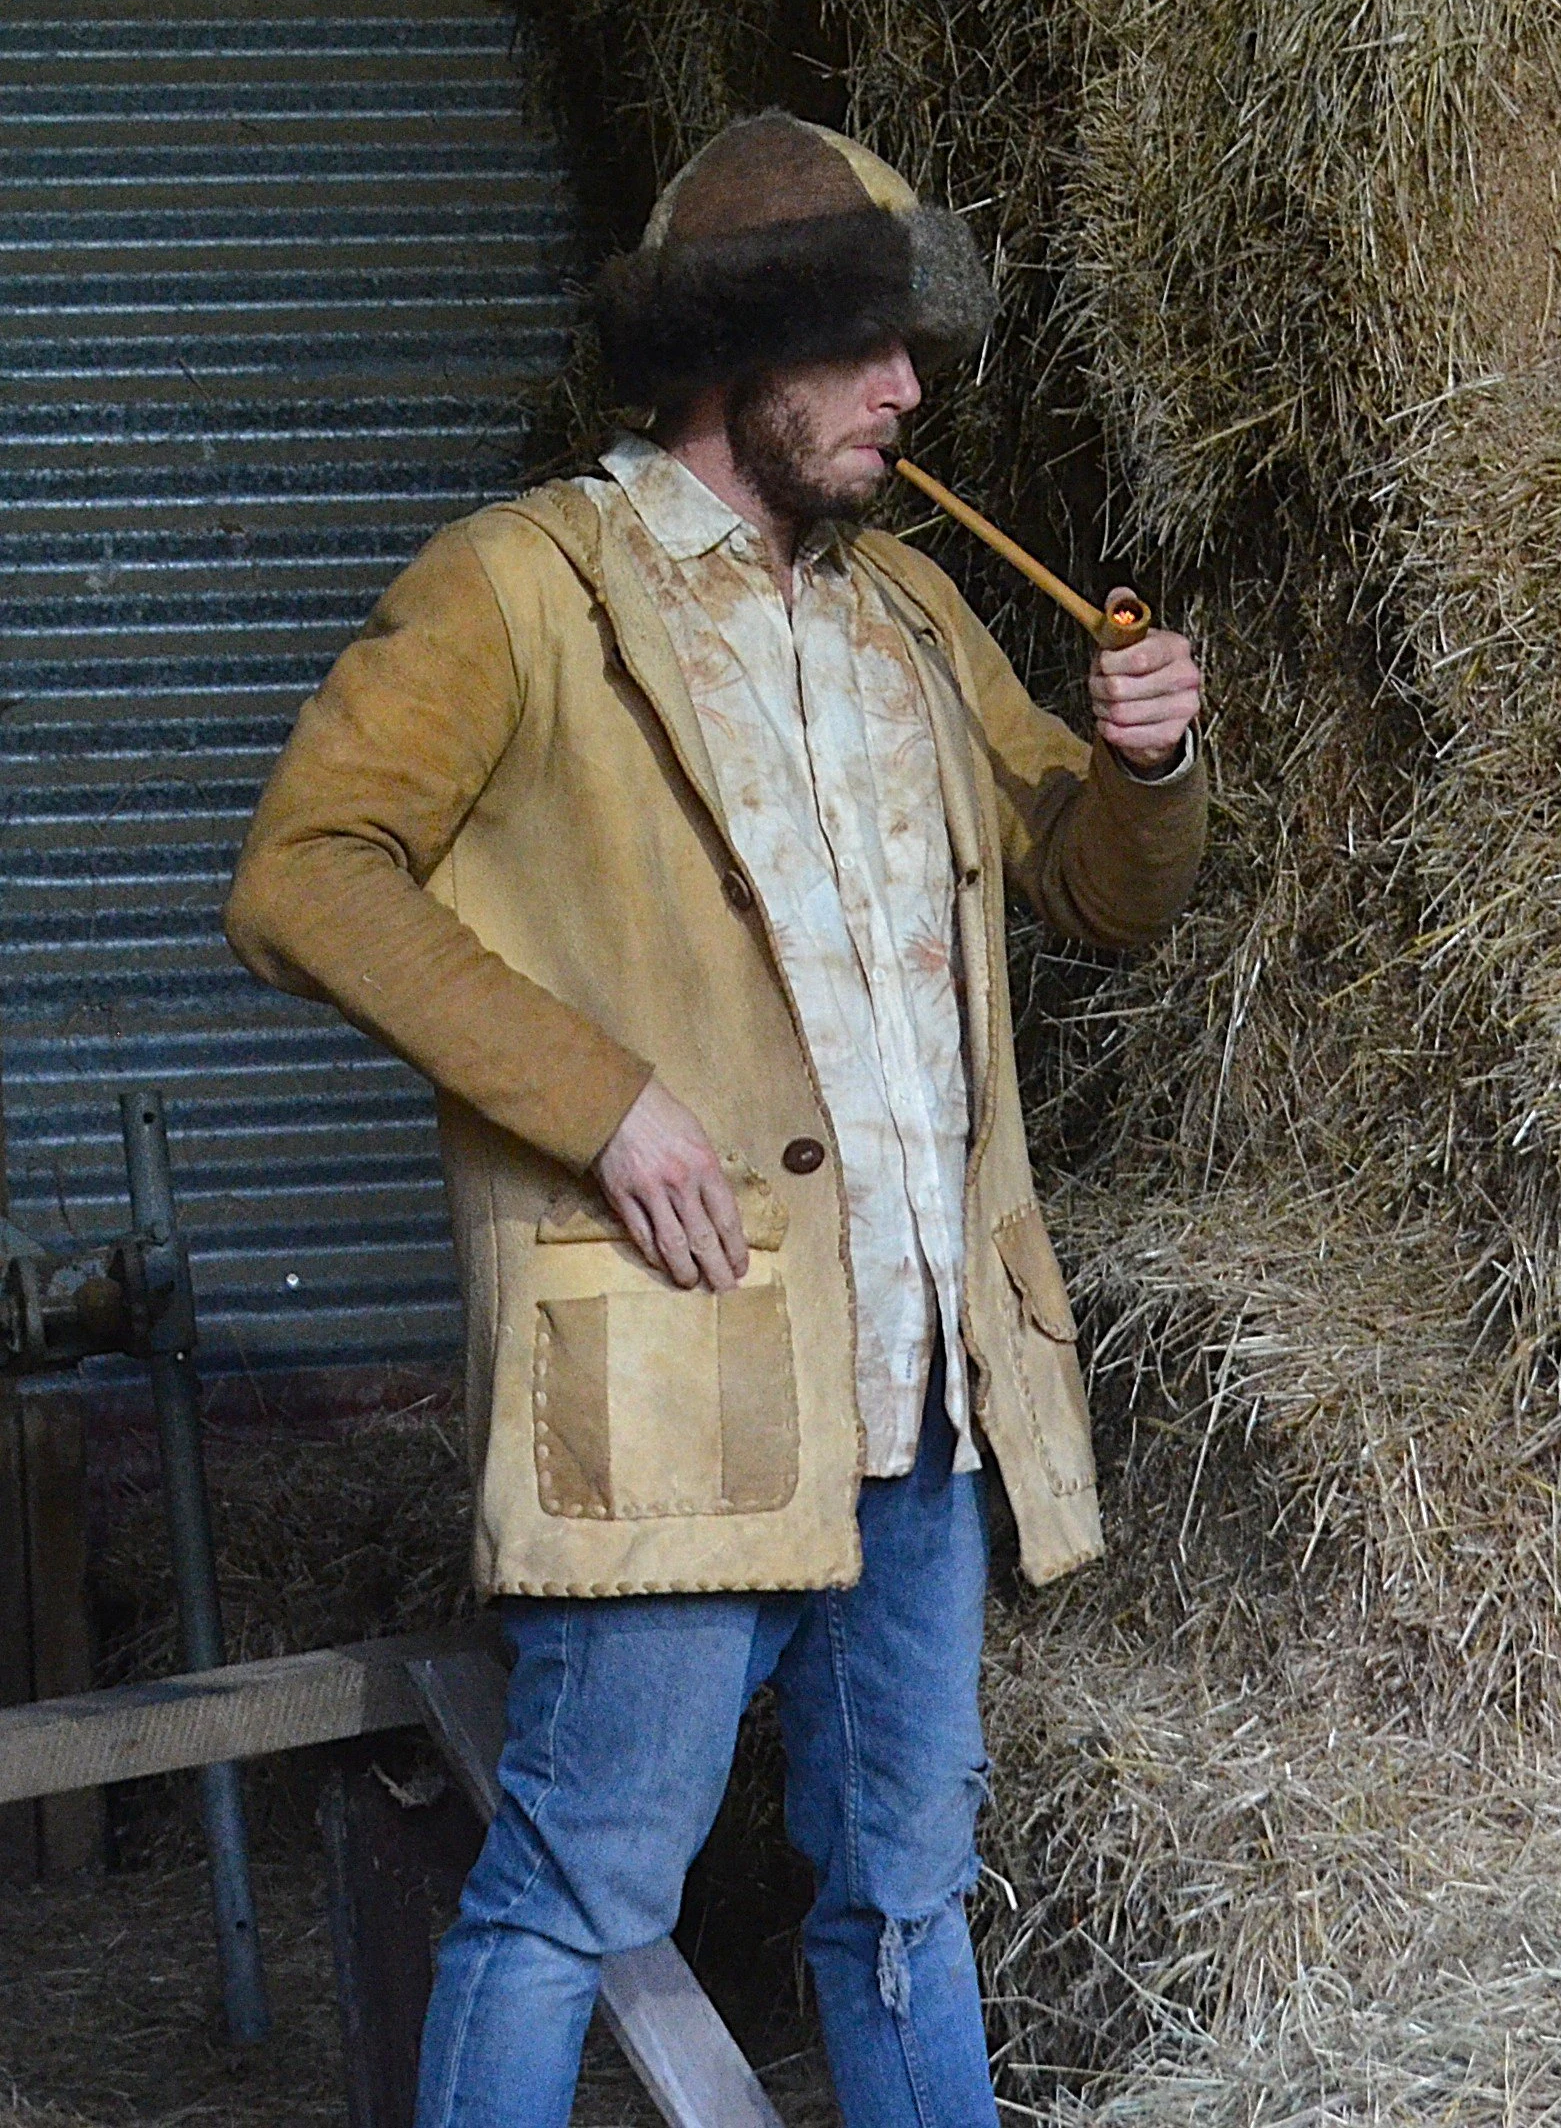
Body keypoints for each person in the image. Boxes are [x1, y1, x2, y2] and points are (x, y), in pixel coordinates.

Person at [224, 112, 1206, 2128]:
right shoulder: (521, 589)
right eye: (858, 347)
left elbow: (1105, 890)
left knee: (910, 1894)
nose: (905, 389)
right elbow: (306, 872)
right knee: (579, 1886)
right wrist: (601, 1101)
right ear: (730, 355)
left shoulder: (912, 612)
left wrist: (1146, 761)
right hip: (685, 1366)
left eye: (904, 346)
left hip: (919, 1382)